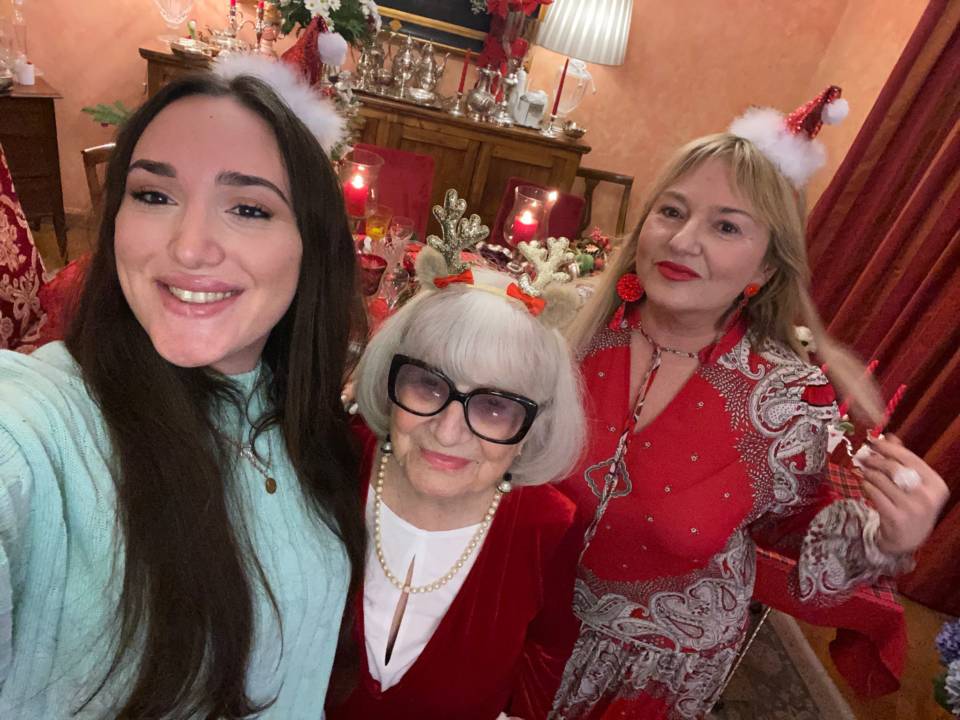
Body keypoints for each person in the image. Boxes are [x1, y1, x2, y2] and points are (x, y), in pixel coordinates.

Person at [551, 88, 950, 719]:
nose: (683, 240)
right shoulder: (570, 334)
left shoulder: (786, 401)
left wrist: (886, 539)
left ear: (764, 269)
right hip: (516, 611)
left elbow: (801, 553)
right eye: (671, 211)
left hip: (649, 674)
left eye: (726, 226)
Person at [0, 58, 366, 718]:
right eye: (154, 196)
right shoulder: (37, 427)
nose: (190, 248)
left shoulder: (309, 421)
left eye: (248, 208)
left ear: (312, 246)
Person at [326, 223, 587, 720]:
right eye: (428, 385)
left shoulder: (550, 526)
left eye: (495, 406)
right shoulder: (330, 460)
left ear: (533, 425)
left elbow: (547, 656)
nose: (448, 432)